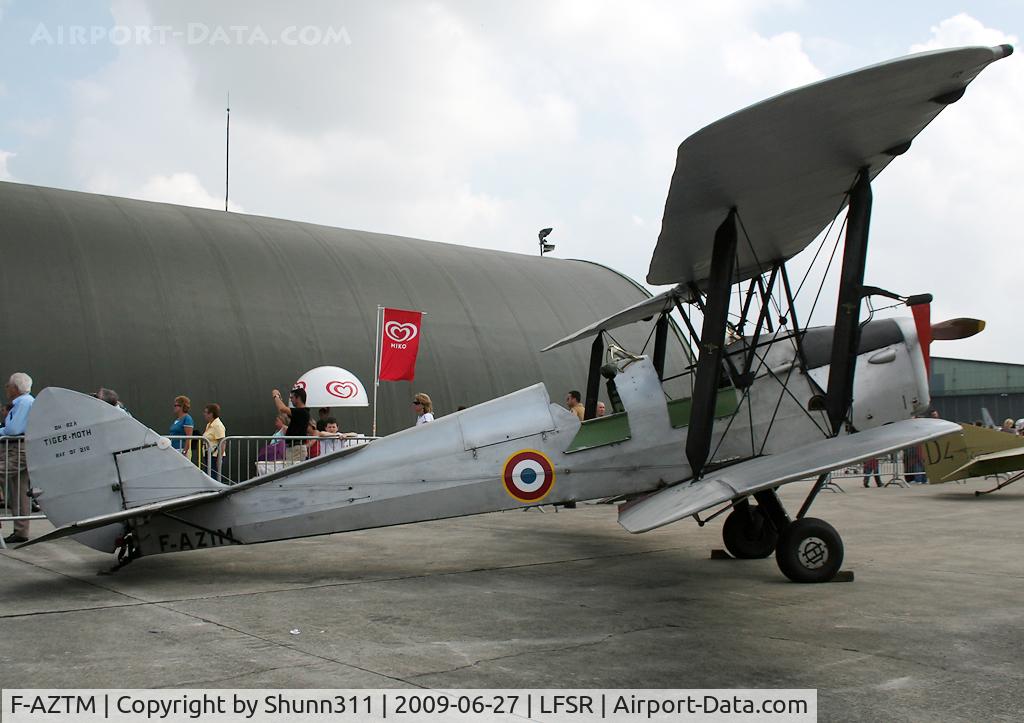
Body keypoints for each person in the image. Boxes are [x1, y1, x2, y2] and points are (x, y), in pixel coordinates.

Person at [2, 372, 36, 543]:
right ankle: (21, 531)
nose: (6, 388)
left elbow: (14, 429)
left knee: (18, 489)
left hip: (19, 450)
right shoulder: (26, 402)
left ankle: (21, 530)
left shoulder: (22, 403)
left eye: (8, 385)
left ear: (15, 388)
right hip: (21, 449)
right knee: (19, 490)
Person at [273, 386, 311, 462]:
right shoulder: (299, 412)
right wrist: (279, 400)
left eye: (292, 397)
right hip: (293, 448)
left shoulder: (302, 412)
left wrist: (275, 395)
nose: (291, 400)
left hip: (297, 449)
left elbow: (282, 408)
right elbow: (282, 411)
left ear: (298, 398)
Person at [201, 403, 227, 482]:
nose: (204, 414)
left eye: (206, 412)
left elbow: (222, 442)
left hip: (215, 456)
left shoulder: (217, 425)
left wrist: (219, 458)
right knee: (209, 475)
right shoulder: (209, 424)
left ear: (211, 414)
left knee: (213, 476)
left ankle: (215, 491)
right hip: (208, 454)